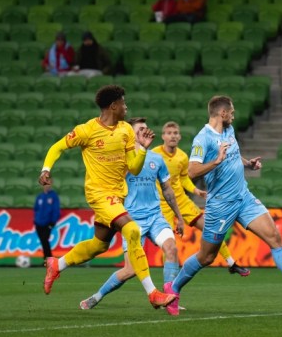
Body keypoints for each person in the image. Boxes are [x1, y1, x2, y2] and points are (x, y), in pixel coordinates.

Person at [167, 95, 282, 315]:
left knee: (275, 237)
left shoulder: (228, 131)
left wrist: (248, 164)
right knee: (207, 256)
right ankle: (173, 289)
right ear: (222, 113)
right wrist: (215, 161)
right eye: (232, 111)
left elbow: (233, 155)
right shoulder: (203, 139)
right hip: (220, 205)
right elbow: (192, 171)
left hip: (243, 198)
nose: (234, 114)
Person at [39, 85, 178, 309]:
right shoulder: (87, 130)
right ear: (113, 106)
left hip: (117, 196)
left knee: (98, 245)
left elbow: (133, 168)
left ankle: (57, 264)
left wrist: (142, 149)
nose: (126, 107)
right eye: (123, 103)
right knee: (132, 230)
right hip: (99, 195)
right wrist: (45, 169)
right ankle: (153, 293)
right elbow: (58, 147)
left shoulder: (124, 130)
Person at [79, 117, 185, 310]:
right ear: (130, 134)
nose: (145, 132)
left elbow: (168, 190)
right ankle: (97, 296)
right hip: (132, 220)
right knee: (130, 270)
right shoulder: (120, 161)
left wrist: (178, 216)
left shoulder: (155, 158)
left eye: (146, 128)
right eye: (140, 130)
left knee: (172, 249)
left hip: (155, 217)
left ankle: (171, 300)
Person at [152, 121, 250, 279]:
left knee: (210, 229)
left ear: (179, 136)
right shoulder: (154, 154)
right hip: (162, 205)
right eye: (169, 133)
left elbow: (183, 179)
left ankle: (231, 263)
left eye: (175, 133)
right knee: (169, 246)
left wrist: (196, 191)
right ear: (163, 136)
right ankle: (169, 286)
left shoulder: (183, 157)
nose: (172, 136)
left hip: (182, 201)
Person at [34, 179, 60, 263]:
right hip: (38, 223)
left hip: (48, 223)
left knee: (45, 240)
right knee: (43, 241)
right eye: (45, 183)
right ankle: (48, 259)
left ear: (51, 183)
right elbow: (36, 209)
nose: (47, 185)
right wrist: (35, 220)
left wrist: (53, 222)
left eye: (48, 183)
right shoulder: (40, 196)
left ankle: (48, 259)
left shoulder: (53, 196)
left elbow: (56, 210)